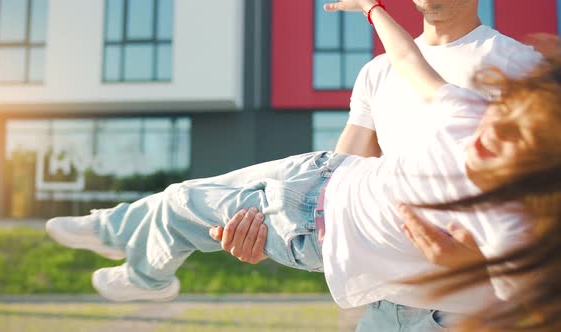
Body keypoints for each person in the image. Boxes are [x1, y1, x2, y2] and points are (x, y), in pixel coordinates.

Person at [46, 1, 560, 324]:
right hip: (350, 233)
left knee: (188, 204)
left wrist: (463, 266)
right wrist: (269, 240)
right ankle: (118, 231)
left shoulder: (525, 74)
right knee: (189, 197)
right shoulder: (395, 78)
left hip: (448, 311)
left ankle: (143, 266)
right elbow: (352, 157)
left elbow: (532, 293)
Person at [212, 0, 542, 329]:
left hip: (468, 309)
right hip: (385, 310)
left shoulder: (524, 67)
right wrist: (273, 233)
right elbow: (335, 188)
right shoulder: (378, 71)